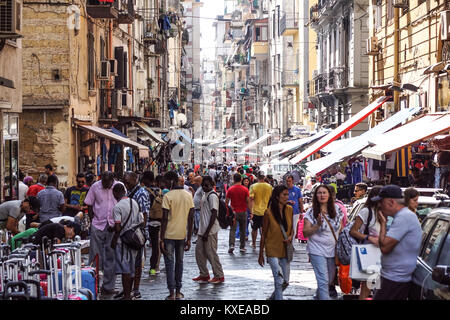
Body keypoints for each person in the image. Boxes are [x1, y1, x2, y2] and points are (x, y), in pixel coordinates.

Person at [371, 185, 422, 300]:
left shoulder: (404, 217)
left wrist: (383, 223)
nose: (379, 205)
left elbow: (384, 248)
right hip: (392, 277)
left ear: (391, 202)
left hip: (395, 279)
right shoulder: (403, 216)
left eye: (381, 202)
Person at [302, 184, 344, 300]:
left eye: (324, 193)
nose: (322, 195)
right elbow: (305, 232)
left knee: (330, 279)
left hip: (332, 250)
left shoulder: (337, 209)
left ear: (329, 195)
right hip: (316, 249)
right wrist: (318, 225)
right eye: (319, 193)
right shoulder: (311, 212)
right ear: (315, 196)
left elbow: (340, 228)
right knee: (323, 279)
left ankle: (318, 296)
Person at [160, 171, 195, 300]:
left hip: (168, 235)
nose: (165, 184)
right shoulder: (188, 195)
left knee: (170, 264)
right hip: (182, 235)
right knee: (179, 263)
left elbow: (164, 219)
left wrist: (161, 238)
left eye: (166, 182)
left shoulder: (168, 196)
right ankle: (178, 290)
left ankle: (171, 292)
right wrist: (189, 237)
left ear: (171, 181)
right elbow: (191, 218)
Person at [84, 171, 119, 296]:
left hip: (114, 226)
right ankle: (93, 285)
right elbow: (89, 204)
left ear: (112, 180)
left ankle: (108, 286)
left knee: (111, 256)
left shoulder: (119, 186)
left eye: (107, 183)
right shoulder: (95, 186)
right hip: (98, 224)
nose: (105, 185)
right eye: (103, 182)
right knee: (95, 256)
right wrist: (93, 220)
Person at [258, 185, 293, 300]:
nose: (286, 197)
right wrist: (260, 254)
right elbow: (263, 233)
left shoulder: (289, 210)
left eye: (287, 194)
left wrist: (290, 237)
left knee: (285, 281)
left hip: (285, 247)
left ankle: (273, 298)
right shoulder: (268, 212)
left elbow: (292, 228)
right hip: (272, 248)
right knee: (278, 280)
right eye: (284, 194)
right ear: (277, 197)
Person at [110, 183, 143, 300]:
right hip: (134, 238)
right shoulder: (134, 202)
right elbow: (141, 220)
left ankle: (127, 296)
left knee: (125, 269)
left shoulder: (117, 207)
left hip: (123, 240)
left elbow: (118, 227)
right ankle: (129, 292)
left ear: (115, 193)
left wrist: (114, 239)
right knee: (132, 266)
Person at [349, 186, 383, 300]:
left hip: (385, 252)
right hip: (370, 252)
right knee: (368, 286)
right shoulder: (366, 211)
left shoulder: (386, 212)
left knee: (379, 286)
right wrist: (369, 237)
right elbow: (353, 231)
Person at [121, 171, 150, 299]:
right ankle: (128, 288)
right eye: (125, 182)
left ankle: (136, 289)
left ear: (135, 179)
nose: (126, 185)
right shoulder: (128, 192)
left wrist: (140, 232)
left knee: (137, 263)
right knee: (128, 262)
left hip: (137, 233)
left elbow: (144, 214)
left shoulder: (141, 193)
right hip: (128, 232)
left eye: (128, 182)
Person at [193, 176, 225, 284]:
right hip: (203, 230)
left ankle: (219, 275)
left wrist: (207, 231)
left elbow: (214, 213)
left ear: (212, 184)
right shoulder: (205, 194)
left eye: (207, 185)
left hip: (209, 230)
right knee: (199, 253)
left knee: (211, 253)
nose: (204, 187)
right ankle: (204, 274)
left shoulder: (212, 196)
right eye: (203, 185)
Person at [142, 171, 163, 276]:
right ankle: (153, 267)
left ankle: (141, 265)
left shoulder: (145, 191)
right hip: (158, 221)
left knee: (142, 244)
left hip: (148, 221)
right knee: (156, 246)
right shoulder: (159, 190)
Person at [226, 173, 250, 254]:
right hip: (243, 211)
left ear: (234, 179)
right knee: (243, 230)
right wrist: (251, 211)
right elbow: (248, 201)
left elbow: (227, 201)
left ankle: (232, 245)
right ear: (241, 180)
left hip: (234, 212)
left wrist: (228, 211)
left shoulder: (230, 189)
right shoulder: (245, 189)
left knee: (232, 229)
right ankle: (242, 247)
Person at [249, 172, 273, 249]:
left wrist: (251, 211)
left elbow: (251, 199)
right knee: (264, 228)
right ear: (264, 177)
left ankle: (253, 243)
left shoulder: (253, 186)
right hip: (266, 211)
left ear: (257, 177)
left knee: (254, 228)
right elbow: (271, 198)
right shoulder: (269, 187)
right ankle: (264, 243)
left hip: (256, 211)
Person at [286, 175, 304, 240]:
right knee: (287, 227)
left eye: (289, 181)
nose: (288, 183)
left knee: (294, 227)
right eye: (287, 181)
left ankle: (292, 243)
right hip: (286, 212)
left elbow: (300, 201)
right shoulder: (284, 189)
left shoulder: (297, 190)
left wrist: (301, 212)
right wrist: (287, 202)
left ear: (292, 181)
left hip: (295, 212)